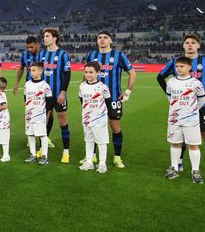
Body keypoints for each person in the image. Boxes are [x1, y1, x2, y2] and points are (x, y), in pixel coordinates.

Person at [157, 33, 205, 179]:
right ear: (183, 45)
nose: (190, 45)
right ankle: (178, 163)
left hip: (202, 106)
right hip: (181, 108)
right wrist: (170, 95)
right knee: (180, 137)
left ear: (198, 45)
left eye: (193, 42)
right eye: (187, 42)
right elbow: (160, 77)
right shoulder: (175, 62)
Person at [84, 31, 136, 168]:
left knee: (115, 126)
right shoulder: (91, 55)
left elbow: (132, 72)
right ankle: (93, 156)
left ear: (111, 41)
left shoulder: (119, 55)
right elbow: (87, 73)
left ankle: (117, 157)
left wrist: (128, 91)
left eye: (105, 38)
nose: (102, 40)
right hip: (94, 100)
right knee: (93, 126)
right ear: (96, 41)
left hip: (113, 97)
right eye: (99, 37)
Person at [164, 56, 205, 184]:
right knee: (175, 143)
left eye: (182, 66)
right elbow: (170, 98)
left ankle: (195, 171)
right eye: (177, 66)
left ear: (189, 67)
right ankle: (174, 168)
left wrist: (191, 111)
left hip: (191, 120)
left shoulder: (196, 83)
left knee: (193, 145)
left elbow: (201, 100)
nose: (178, 68)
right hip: (174, 119)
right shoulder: (171, 82)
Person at [40, 28, 72, 163]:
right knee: (43, 121)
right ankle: (42, 148)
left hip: (58, 94)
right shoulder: (42, 54)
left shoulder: (63, 54)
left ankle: (66, 152)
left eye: (47, 36)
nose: (45, 38)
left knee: (62, 121)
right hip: (44, 95)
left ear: (54, 38)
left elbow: (67, 74)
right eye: (44, 36)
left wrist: (63, 92)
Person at [78, 63, 111, 174]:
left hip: (100, 119)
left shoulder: (103, 87)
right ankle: (89, 162)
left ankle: (102, 164)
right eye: (86, 72)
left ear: (98, 73)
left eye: (91, 72)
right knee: (88, 140)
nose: (88, 74)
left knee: (101, 142)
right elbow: (82, 100)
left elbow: (108, 101)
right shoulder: (82, 86)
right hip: (87, 118)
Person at [24, 62, 51, 165]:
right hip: (29, 114)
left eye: (34, 70)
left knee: (42, 135)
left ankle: (45, 156)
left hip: (40, 115)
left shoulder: (45, 85)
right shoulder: (27, 84)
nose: (31, 72)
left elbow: (49, 100)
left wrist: (44, 112)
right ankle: (33, 155)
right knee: (30, 134)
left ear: (41, 71)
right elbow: (25, 98)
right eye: (31, 70)